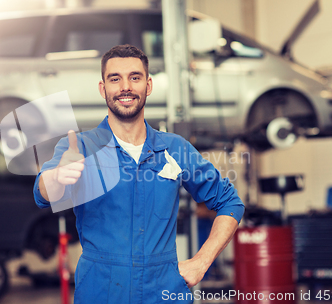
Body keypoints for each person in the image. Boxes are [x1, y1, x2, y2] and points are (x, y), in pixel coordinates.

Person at [33, 44, 244, 303]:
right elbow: (43, 192)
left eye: (135, 77)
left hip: (163, 291)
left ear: (148, 85)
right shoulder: (81, 147)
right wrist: (56, 177)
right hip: (101, 291)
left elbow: (229, 202)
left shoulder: (174, 148)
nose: (125, 87)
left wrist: (201, 261)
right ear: (103, 89)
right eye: (115, 79)